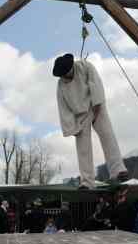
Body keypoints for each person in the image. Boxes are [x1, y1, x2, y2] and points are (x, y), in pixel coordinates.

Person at [53, 54, 128, 189]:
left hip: (95, 104)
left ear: (71, 67)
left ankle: (118, 171)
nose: (66, 77)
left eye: (67, 73)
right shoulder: (60, 85)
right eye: (63, 76)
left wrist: (97, 106)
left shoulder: (85, 67)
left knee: (107, 135)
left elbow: (96, 84)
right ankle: (87, 182)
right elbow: (63, 107)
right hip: (79, 115)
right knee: (83, 149)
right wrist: (72, 128)